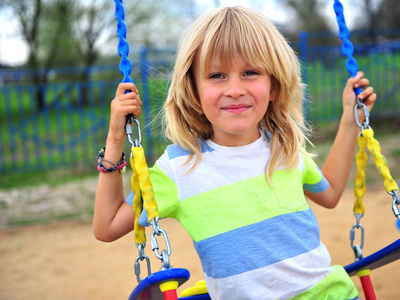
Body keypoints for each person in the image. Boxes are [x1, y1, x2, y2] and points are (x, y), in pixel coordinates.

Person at [94, 6, 376, 300]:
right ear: (194, 90)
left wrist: (349, 120)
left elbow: (329, 195)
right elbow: (108, 225)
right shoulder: (179, 168)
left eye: (250, 73)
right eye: (217, 75)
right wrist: (116, 138)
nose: (235, 89)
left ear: (274, 87)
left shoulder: (284, 148)